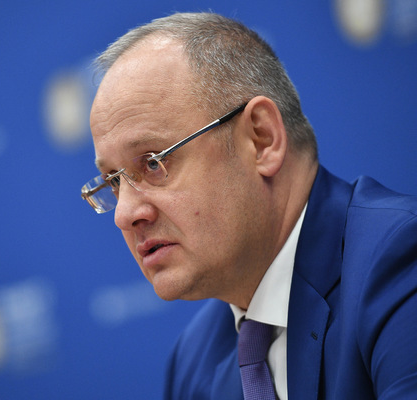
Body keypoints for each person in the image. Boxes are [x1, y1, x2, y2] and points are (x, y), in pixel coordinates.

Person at [80, 12, 417, 400]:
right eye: (113, 180)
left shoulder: (398, 263)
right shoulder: (193, 363)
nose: (124, 215)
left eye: (153, 162)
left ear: (261, 139)